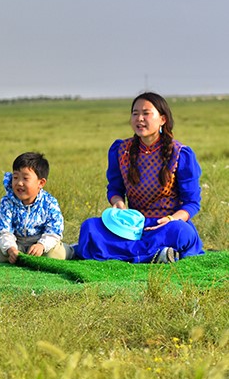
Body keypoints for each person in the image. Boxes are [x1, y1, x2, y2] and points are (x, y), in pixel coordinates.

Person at [76, 92, 204, 263]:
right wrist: (119, 205)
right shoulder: (120, 150)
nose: (139, 119)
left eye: (146, 113)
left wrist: (170, 219)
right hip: (131, 225)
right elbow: (115, 189)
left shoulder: (181, 154)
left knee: (182, 233)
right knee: (90, 227)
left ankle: (118, 253)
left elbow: (192, 203)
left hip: (165, 225)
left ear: (162, 119)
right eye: (135, 113)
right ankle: (158, 254)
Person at [0, 152, 72, 264]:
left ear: (41, 183)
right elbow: (3, 230)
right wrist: (10, 249)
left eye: (25, 178)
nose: (19, 183)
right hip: (17, 243)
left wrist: (42, 245)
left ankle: (73, 250)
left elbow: (54, 230)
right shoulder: (7, 202)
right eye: (16, 177)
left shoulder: (49, 202)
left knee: (55, 255)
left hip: (42, 244)